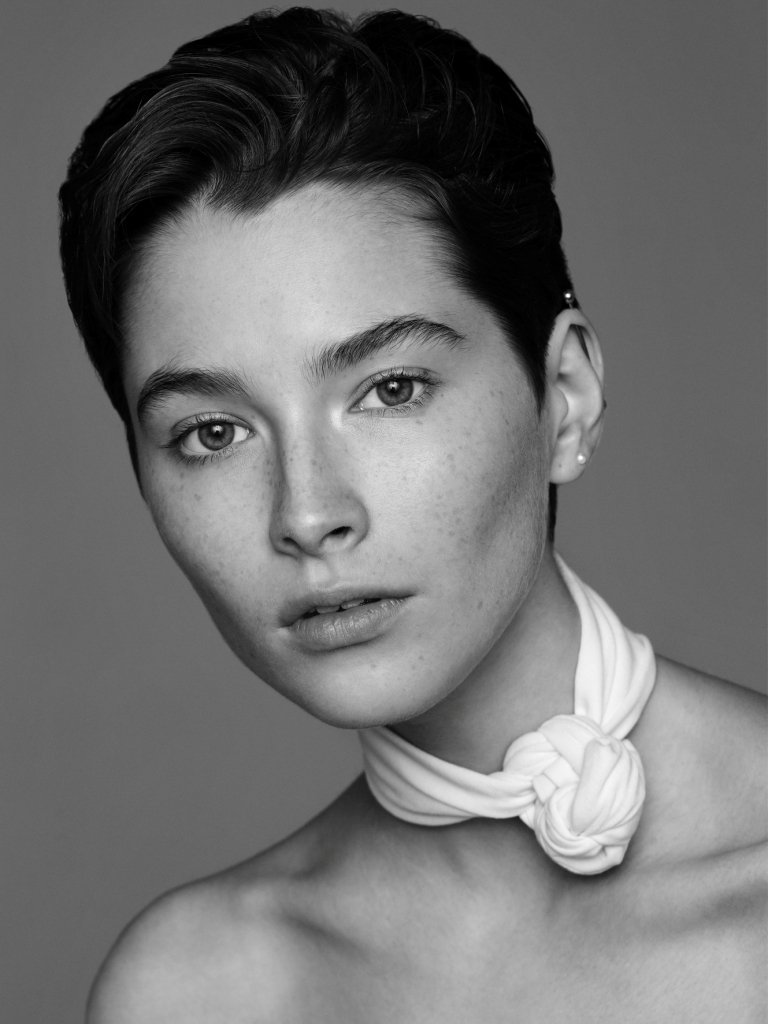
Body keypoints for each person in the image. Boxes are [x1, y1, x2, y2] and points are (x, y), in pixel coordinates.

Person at [59, 8, 766, 1021]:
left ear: (565, 396)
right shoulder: (195, 992)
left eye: (390, 389)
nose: (308, 512)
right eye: (213, 433)